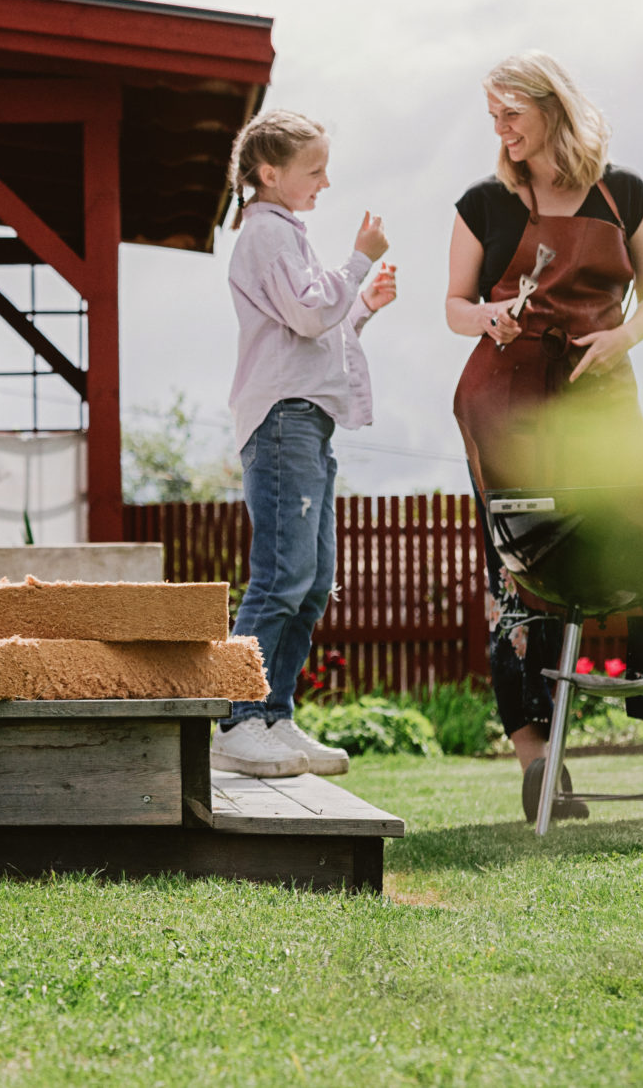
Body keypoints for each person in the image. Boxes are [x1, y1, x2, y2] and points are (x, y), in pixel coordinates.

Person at [444, 50, 643, 819]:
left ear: (552, 107)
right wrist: (488, 316)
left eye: (511, 113)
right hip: (509, 406)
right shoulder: (484, 203)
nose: (500, 128)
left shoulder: (625, 193)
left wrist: (622, 338)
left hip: (603, 401)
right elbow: (454, 306)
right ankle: (543, 776)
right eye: (492, 117)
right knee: (526, 581)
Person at [210, 110, 398, 782]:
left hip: (306, 421)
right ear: (270, 172)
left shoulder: (285, 234)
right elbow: (311, 313)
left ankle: (273, 713)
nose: (325, 181)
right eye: (314, 169)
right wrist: (359, 259)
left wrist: (362, 303)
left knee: (312, 580)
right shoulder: (266, 233)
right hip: (284, 420)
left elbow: (316, 325)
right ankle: (237, 720)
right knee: (281, 575)